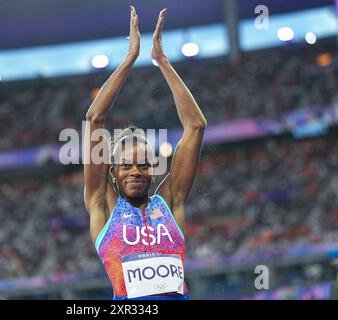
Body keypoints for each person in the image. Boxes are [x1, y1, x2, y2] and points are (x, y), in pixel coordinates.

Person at [83, 6, 207, 300]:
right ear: (112, 171)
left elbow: (196, 125)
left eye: (143, 164)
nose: (135, 171)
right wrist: (129, 59)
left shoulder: (170, 202)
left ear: (153, 169)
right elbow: (94, 120)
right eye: (126, 165)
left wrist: (162, 61)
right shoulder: (103, 205)